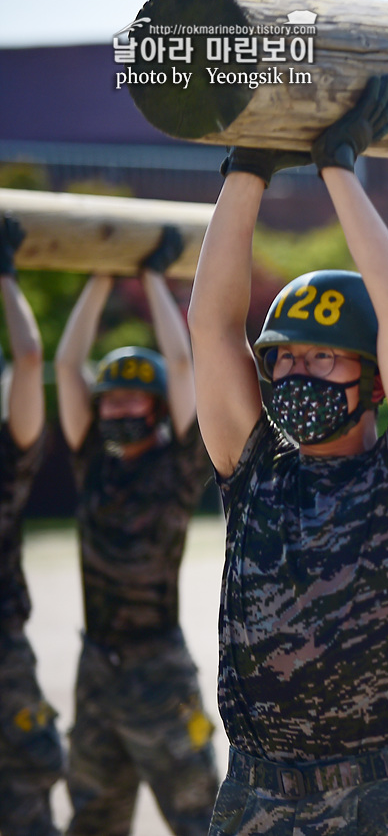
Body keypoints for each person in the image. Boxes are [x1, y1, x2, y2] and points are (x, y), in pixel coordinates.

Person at [187, 75, 388, 834]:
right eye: (287, 359)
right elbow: (211, 329)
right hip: (254, 798)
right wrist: (248, 168)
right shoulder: (256, 467)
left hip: (375, 802)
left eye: (324, 360)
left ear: (373, 382)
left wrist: (338, 165)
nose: (296, 375)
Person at [53, 225, 219, 836]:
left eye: (132, 401)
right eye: (110, 401)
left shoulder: (176, 467)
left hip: (159, 668)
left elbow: (181, 362)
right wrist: (100, 277)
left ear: (153, 408)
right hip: (96, 667)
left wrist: (150, 276)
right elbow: (69, 363)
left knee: (201, 816)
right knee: (93, 818)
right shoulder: (90, 462)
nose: (118, 409)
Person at [0, 215, 63, 836]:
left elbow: (29, 356)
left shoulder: (6, 461)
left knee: (25, 791)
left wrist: (4, 273)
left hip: (3, 653)